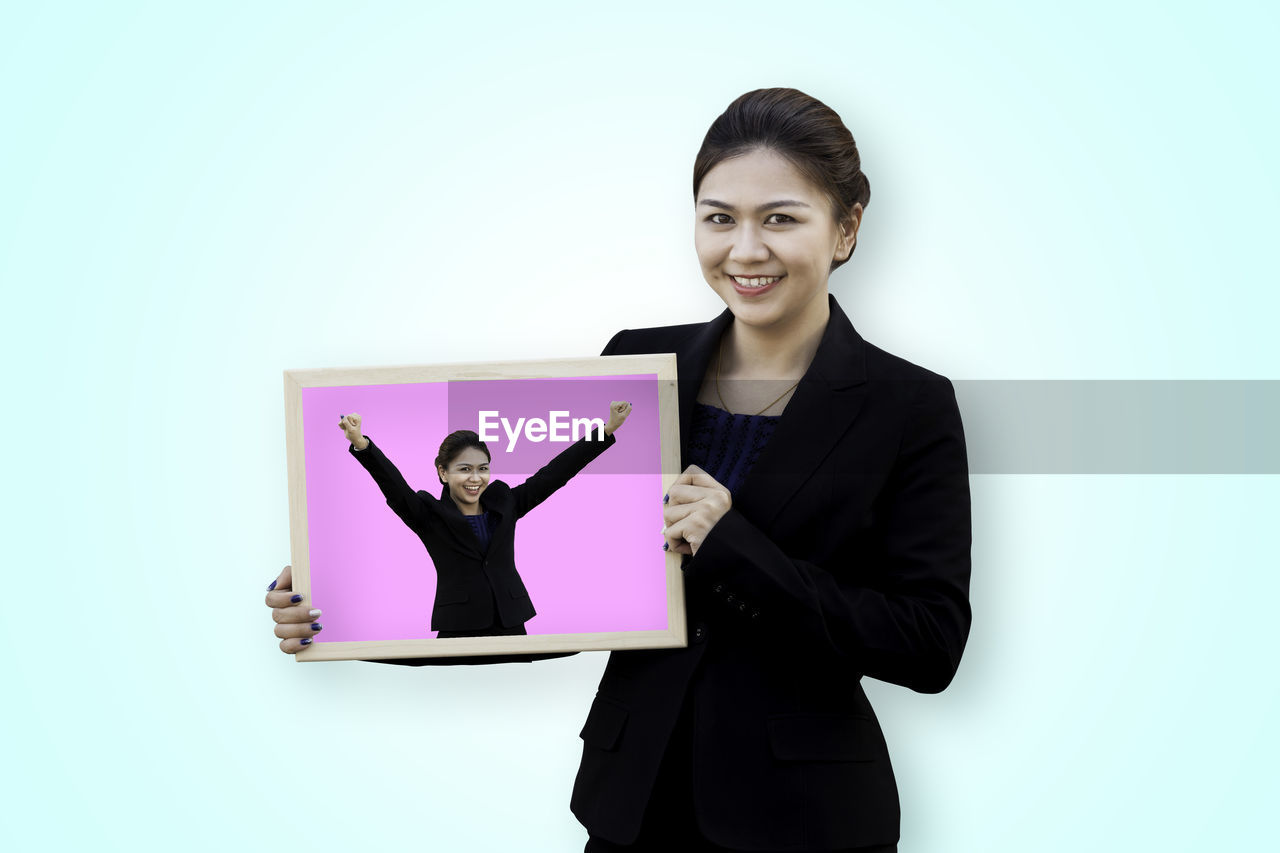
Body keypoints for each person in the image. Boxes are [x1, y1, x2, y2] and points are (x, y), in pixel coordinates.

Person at [266, 88, 970, 852]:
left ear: (847, 227)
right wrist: (341, 610)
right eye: (718, 217)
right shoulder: (638, 368)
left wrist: (736, 543)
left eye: (780, 218)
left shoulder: (910, 405)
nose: (744, 250)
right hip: (634, 804)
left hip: (807, 815)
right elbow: (573, 597)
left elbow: (929, 644)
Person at [336, 401, 632, 638]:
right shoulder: (428, 514)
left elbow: (555, 473)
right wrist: (361, 443)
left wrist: (605, 430)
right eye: (464, 469)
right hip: (458, 626)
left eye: (483, 468)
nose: (475, 478)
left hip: (511, 623)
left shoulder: (505, 502)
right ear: (443, 472)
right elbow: (394, 486)